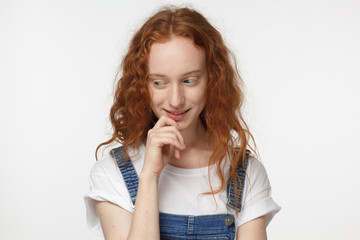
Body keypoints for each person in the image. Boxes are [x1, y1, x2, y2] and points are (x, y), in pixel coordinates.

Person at [84, 6, 280, 240]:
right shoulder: (112, 174)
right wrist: (149, 176)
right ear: (142, 86)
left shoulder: (246, 175)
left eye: (189, 80)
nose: (176, 100)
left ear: (212, 80)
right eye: (159, 83)